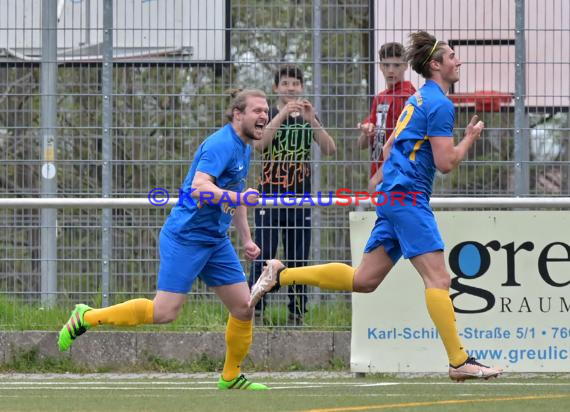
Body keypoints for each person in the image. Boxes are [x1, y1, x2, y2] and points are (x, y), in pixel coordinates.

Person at [249, 31, 502, 381]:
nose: (459, 60)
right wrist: (470, 139)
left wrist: (383, 180)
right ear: (436, 65)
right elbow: (445, 163)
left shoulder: (416, 100)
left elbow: (388, 148)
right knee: (439, 278)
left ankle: (281, 274)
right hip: (408, 197)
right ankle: (459, 360)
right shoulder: (439, 103)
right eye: (453, 56)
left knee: (364, 279)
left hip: (391, 194)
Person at [58, 89, 271, 391]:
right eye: (257, 110)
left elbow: (236, 198)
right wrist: (237, 196)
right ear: (238, 114)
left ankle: (230, 376)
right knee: (164, 313)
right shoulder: (221, 144)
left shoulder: (246, 147)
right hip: (186, 237)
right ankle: (86, 316)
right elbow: (199, 187)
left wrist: (246, 238)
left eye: (266, 110)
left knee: (243, 307)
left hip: (215, 239)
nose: (264, 116)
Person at [249, 65, 336, 326]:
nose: (290, 88)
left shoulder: (308, 117)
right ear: (276, 88)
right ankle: (257, 310)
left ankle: (296, 313)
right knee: (264, 255)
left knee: (299, 258)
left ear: (301, 87)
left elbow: (330, 148)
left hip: (299, 199)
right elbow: (260, 145)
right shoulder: (268, 115)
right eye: (285, 83)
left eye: (295, 84)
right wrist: (282, 114)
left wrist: (312, 120)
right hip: (270, 198)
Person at [358, 42, 416, 193]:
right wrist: (366, 131)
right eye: (387, 65)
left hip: (397, 175)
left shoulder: (407, 96)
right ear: (380, 66)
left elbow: (405, 145)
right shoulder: (380, 98)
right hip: (379, 172)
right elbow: (362, 144)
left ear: (406, 66)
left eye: (396, 65)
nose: (391, 70)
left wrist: (377, 177)